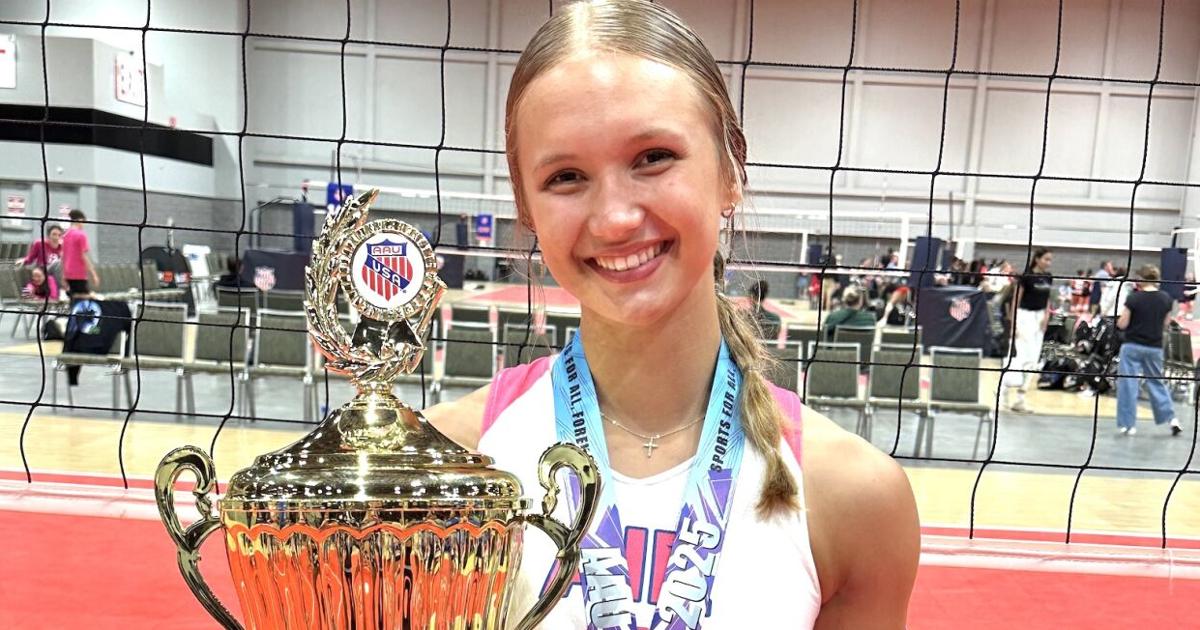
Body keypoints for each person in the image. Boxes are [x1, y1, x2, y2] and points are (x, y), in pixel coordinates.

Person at [423, 2, 919, 627]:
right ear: (526, 207)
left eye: (653, 157)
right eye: (566, 176)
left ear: (731, 169)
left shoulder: (851, 496)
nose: (615, 218)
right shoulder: (444, 463)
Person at [1115, 265, 1183, 437]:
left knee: (1128, 384)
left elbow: (1122, 323)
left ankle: (1128, 425)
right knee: (1156, 382)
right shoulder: (1166, 299)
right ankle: (1172, 419)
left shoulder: (1134, 298)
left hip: (1132, 346)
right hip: (1154, 347)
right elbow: (1166, 323)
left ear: (1140, 279)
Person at [1002, 247, 1053, 413]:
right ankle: (1003, 392)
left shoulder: (1048, 277)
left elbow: (1047, 300)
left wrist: (1046, 317)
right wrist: (1013, 323)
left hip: (1039, 319)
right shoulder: (1026, 277)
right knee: (1018, 357)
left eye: (1050, 260)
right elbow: (1015, 301)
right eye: (1046, 259)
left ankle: (1020, 399)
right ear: (1037, 259)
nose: (1048, 263)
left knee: (1032, 360)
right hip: (1024, 317)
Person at [62, 210, 99, 298]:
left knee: (74, 297)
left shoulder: (65, 235)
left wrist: (63, 275)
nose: (83, 225)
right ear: (80, 220)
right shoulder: (81, 235)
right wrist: (93, 273)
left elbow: (63, 256)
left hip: (68, 273)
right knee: (84, 298)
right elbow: (84, 255)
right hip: (79, 273)